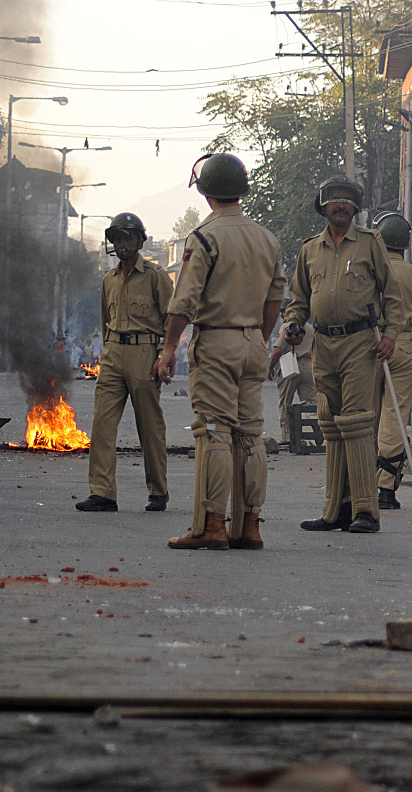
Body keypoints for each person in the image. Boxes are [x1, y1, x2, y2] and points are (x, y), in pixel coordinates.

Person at [154, 153, 286, 550]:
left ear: (207, 192)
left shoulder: (204, 238)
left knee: (214, 432)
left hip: (216, 342)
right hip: (252, 343)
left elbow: (183, 302)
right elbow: (275, 298)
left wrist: (167, 349)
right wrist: (259, 339)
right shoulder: (267, 238)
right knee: (250, 436)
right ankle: (249, 527)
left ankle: (211, 526)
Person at [284, 176, 404, 534]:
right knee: (330, 426)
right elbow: (299, 300)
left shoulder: (370, 243)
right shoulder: (309, 250)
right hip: (324, 344)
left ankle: (367, 510)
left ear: (355, 209)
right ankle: (336, 508)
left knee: (356, 423)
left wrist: (392, 336)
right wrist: (293, 322)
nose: (340, 205)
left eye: (346, 201)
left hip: (360, 343)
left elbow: (392, 295)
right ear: (323, 207)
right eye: (333, 200)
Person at [75, 212, 174, 513]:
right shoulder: (109, 280)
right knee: (102, 424)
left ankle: (158, 491)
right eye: (117, 238)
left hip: (145, 354)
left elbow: (171, 319)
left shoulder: (156, 276)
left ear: (140, 239)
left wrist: (163, 356)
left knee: (150, 426)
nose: (122, 244)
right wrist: (107, 356)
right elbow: (107, 323)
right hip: (114, 354)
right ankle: (103, 493)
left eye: (127, 237)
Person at [371, 212, 412, 510]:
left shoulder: (369, 269)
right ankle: (385, 489)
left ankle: (359, 483)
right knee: (395, 415)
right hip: (404, 347)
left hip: (369, 345)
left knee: (364, 413)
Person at [267, 306, 317, 445]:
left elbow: (278, 351)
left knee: (285, 403)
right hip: (308, 366)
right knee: (311, 403)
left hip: (290, 366)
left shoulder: (286, 327)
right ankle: (319, 433)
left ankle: (287, 437)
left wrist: (270, 368)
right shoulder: (310, 328)